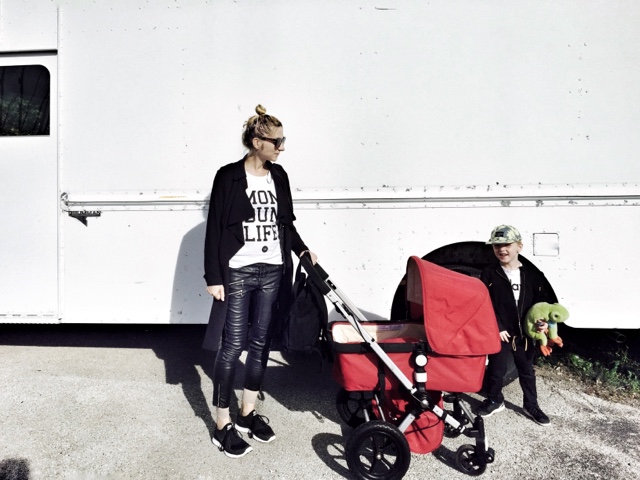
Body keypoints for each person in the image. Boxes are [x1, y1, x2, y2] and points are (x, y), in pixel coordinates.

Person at [203, 105, 317, 458]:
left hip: (272, 269)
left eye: (283, 140)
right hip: (238, 270)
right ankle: (222, 425)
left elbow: (286, 224)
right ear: (257, 142)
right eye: (276, 141)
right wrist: (213, 276)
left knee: (261, 344)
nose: (282, 147)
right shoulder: (228, 177)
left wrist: (302, 249)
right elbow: (214, 228)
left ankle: (247, 414)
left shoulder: (278, 176)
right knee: (232, 346)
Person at [476, 225, 558, 426]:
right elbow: (484, 304)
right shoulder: (490, 274)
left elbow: (540, 305)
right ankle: (495, 400)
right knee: (496, 370)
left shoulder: (532, 275)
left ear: (519, 246)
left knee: (527, 371)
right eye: (497, 246)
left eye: (507, 244)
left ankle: (531, 405)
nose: (501, 249)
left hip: (525, 335)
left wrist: (542, 324)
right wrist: (497, 326)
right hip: (501, 333)